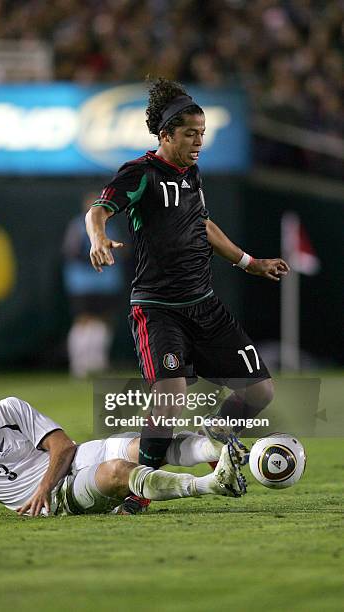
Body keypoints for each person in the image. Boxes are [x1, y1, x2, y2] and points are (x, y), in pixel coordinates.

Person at [85, 77, 290, 514]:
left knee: (261, 393)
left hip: (205, 305)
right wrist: (98, 237)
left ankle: (217, 435)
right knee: (171, 393)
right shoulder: (140, 173)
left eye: (202, 133)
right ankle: (139, 492)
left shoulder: (192, 174)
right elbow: (98, 209)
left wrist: (250, 263)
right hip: (158, 310)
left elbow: (204, 225)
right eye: (190, 134)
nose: (199, 141)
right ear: (165, 136)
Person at [0, 377, 248, 521]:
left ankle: (214, 448)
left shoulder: (8, 409)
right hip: (56, 498)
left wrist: (41, 483)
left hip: (71, 461)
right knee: (119, 472)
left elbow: (62, 446)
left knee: (146, 443)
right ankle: (212, 484)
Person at [63, 192, 125, 378]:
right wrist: (94, 256)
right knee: (84, 320)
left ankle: (97, 362)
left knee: (104, 320)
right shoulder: (77, 226)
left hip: (107, 284)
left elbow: (120, 252)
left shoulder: (110, 228)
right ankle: (79, 365)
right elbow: (70, 251)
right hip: (83, 284)